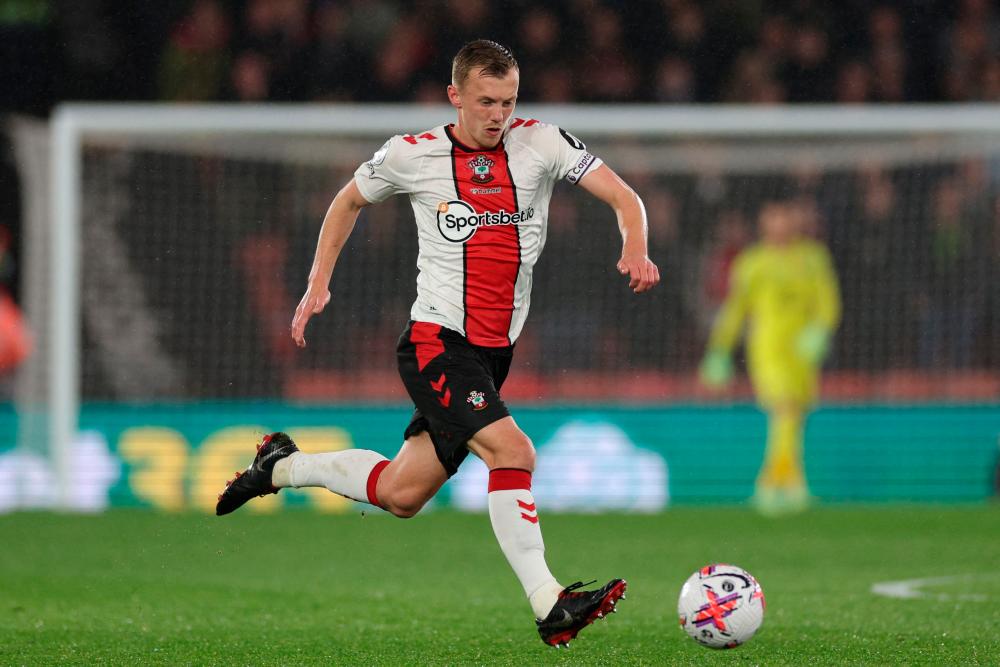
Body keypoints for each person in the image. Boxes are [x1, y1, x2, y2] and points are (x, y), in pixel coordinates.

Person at [216, 40, 660, 647]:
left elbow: (623, 196)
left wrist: (634, 244)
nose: (498, 114)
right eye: (485, 101)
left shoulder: (543, 143)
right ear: (455, 96)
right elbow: (347, 201)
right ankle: (549, 601)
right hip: (435, 341)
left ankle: (281, 465)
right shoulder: (412, 154)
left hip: (492, 353)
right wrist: (318, 283)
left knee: (401, 495)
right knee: (514, 453)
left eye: (507, 100)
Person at [699, 197, 840, 516]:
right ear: (763, 223)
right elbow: (736, 309)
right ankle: (776, 485)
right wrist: (719, 350)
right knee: (784, 409)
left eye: (784, 217)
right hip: (768, 349)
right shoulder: (752, 263)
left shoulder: (813, 257)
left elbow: (828, 300)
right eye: (772, 218)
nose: (779, 225)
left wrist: (820, 330)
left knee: (793, 417)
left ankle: (787, 482)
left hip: (803, 351)